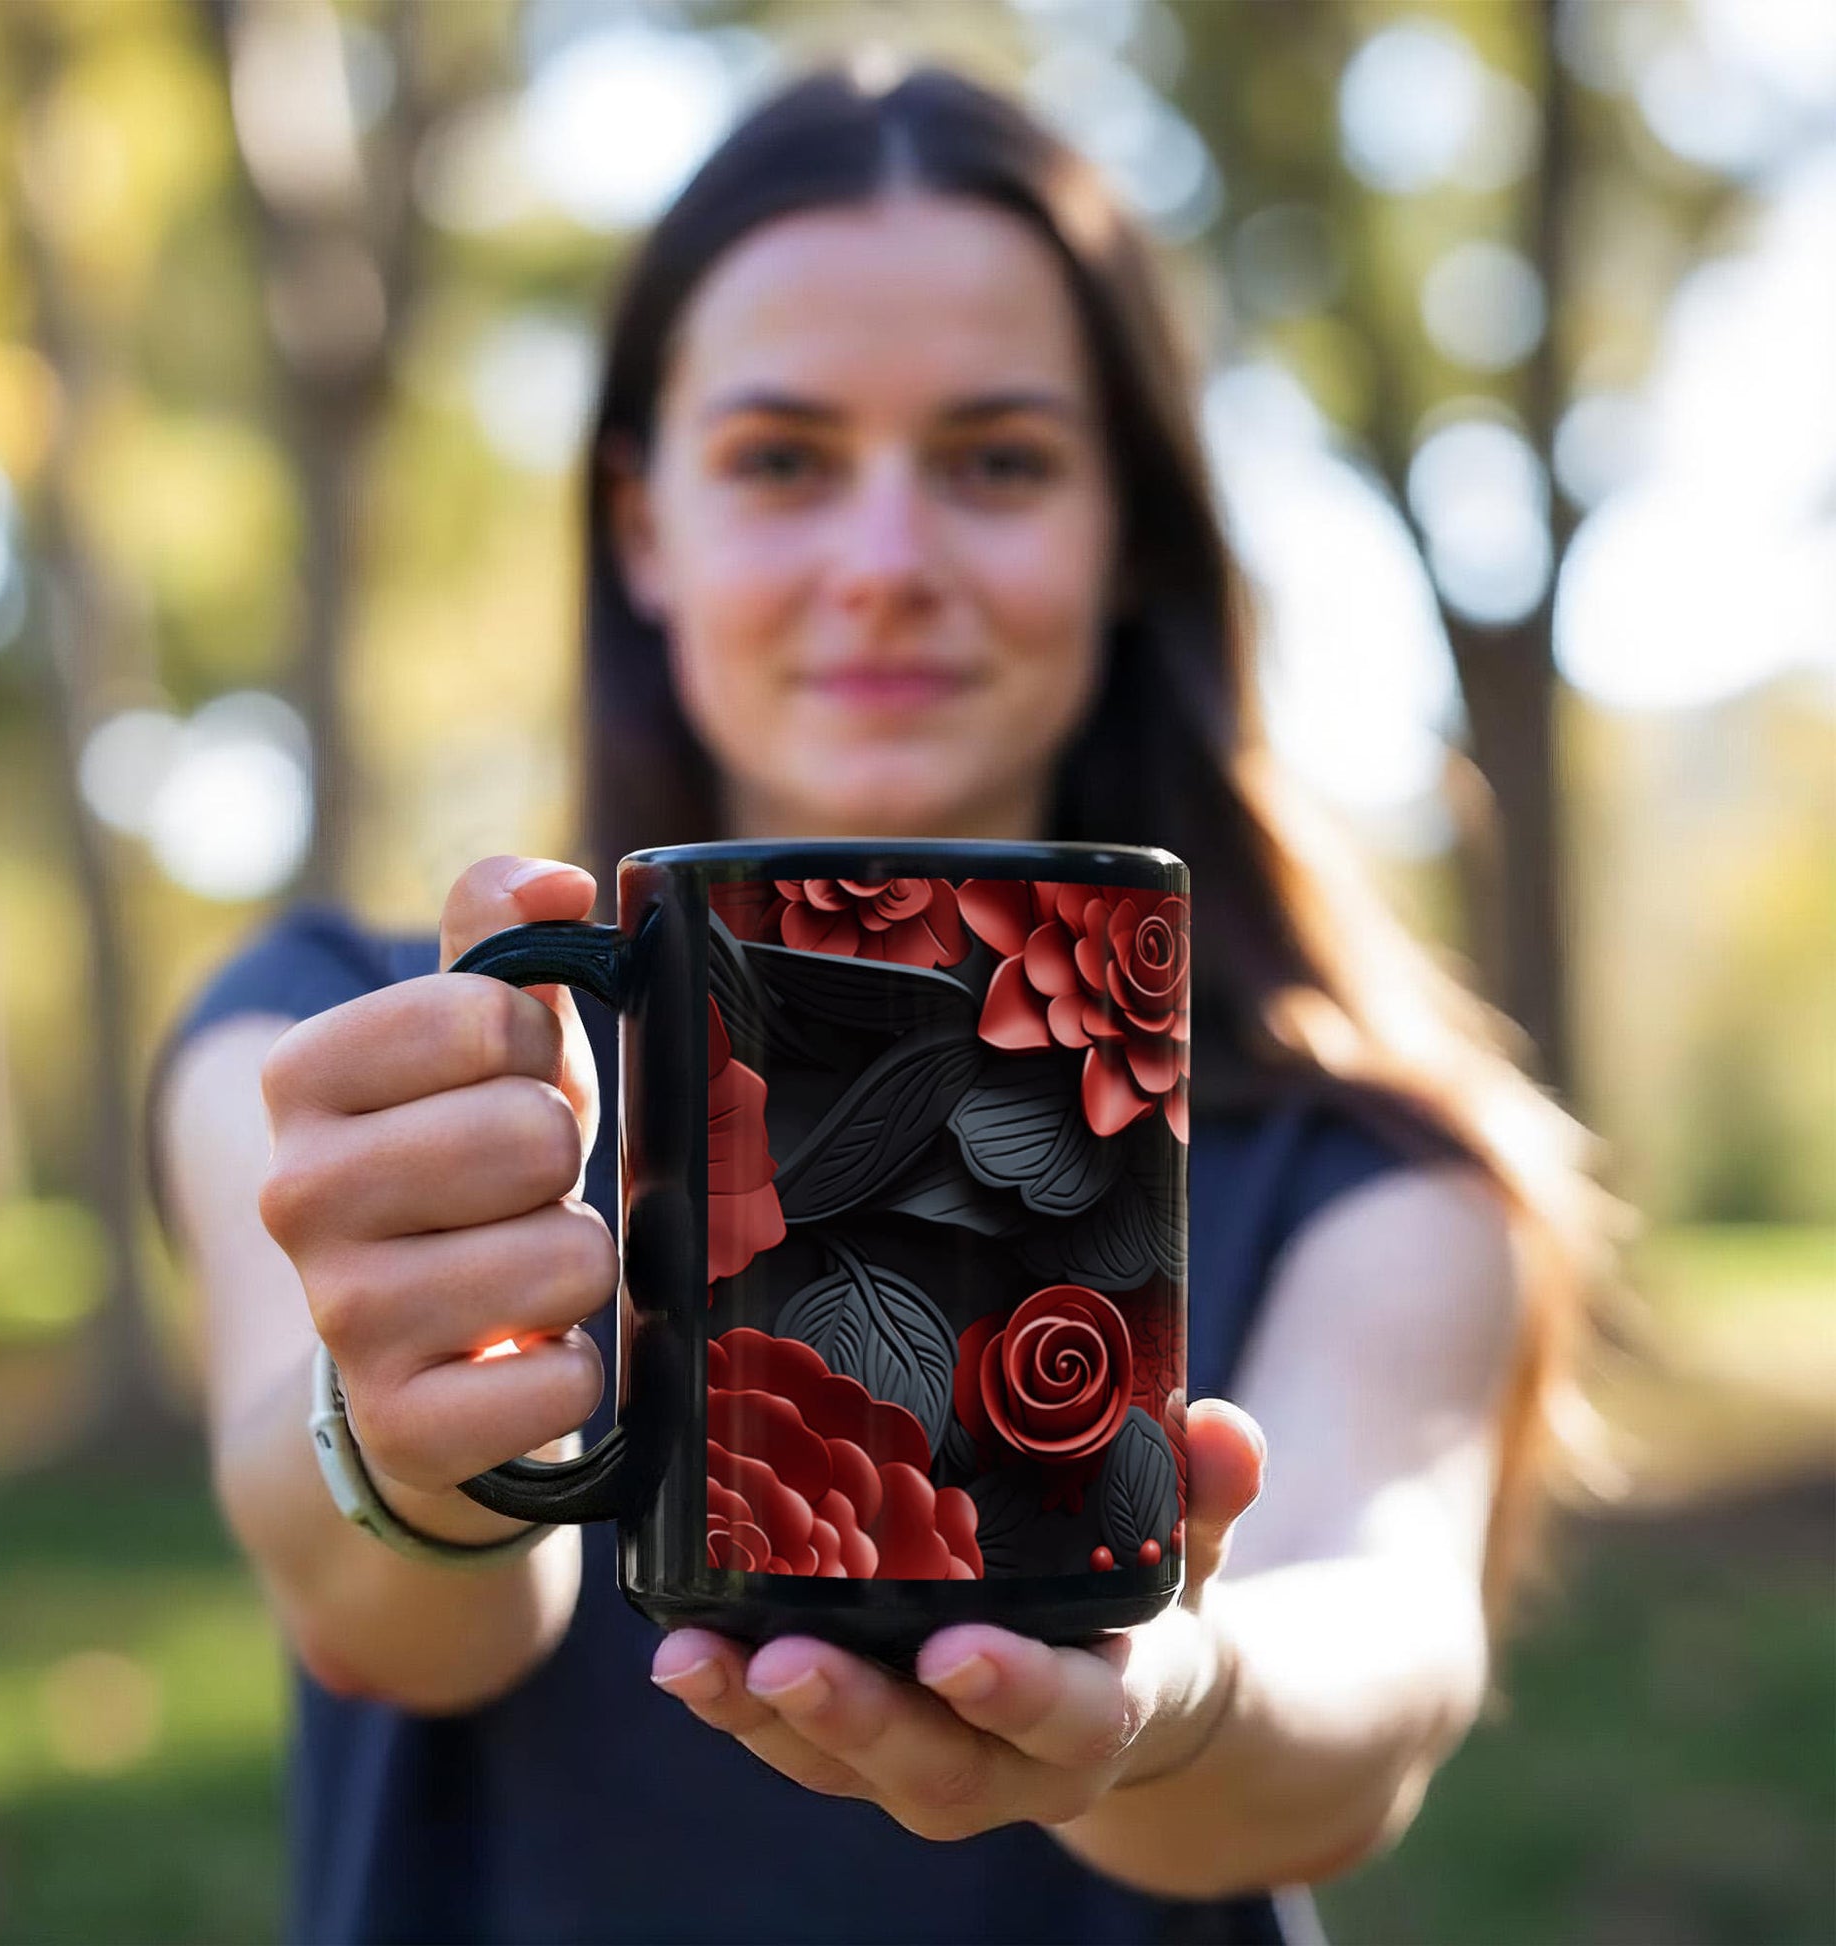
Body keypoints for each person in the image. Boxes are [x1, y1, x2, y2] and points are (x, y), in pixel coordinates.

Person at [153, 62, 1619, 1946]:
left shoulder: (1373, 1176)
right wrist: (405, 1430)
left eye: (998, 459)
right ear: (643, 529)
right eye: (781, 458)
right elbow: (384, 1620)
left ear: (1128, 540)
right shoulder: (349, 1054)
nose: (885, 564)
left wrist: (1171, 1706)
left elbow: (1370, 1670)